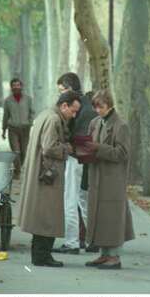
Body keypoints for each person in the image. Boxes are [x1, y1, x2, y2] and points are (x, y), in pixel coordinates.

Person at [17, 91, 81, 267]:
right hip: (47, 174)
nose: (74, 115)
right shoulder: (53, 119)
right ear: (64, 106)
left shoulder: (46, 114)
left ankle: (41, 255)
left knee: (42, 215)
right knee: (48, 215)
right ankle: (42, 256)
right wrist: (66, 148)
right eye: (73, 111)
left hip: (41, 172)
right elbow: (49, 147)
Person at [83, 89, 135, 269]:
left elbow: (123, 154)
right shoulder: (95, 122)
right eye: (96, 107)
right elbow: (90, 145)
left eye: (101, 107)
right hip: (97, 175)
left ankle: (114, 257)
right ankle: (103, 254)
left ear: (110, 105)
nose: (98, 110)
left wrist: (99, 148)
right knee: (99, 216)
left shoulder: (121, 125)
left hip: (113, 179)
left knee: (112, 217)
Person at [54, 72, 97, 255]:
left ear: (70, 88)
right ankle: (94, 240)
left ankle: (71, 242)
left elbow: (70, 132)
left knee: (70, 199)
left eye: (62, 90)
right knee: (83, 199)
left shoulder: (75, 106)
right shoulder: (88, 104)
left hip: (75, 156)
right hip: (88, 157)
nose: (60, 95)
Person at [2, 78, 34, 178]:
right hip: (13, 128)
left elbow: (32, 112)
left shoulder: (28, 99)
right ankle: (17, 171)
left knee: (24, 151)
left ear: (21, 86)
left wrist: (30, 122)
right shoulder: (8, 100)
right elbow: (6, 115)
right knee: (16, 150)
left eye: (18, 85)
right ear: (11, 87)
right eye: (14, 85)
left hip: (25, 128)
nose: (16, 87)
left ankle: (21, 167)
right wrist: (3, 129)